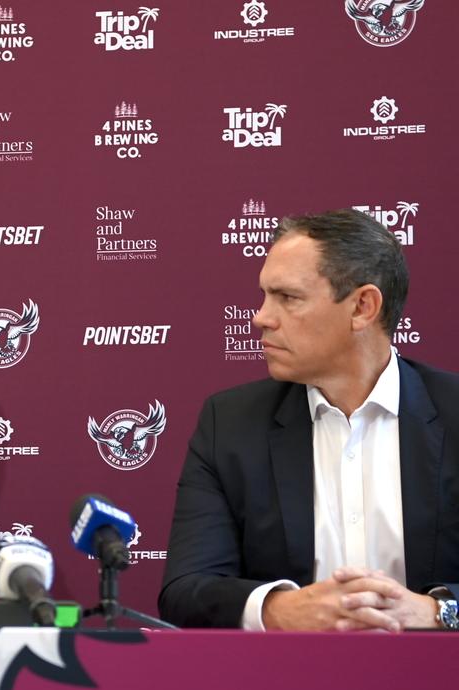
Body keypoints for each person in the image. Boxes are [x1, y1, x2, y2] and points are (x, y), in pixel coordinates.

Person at [159, 208, 459, 631]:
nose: (261, 317)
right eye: (264, 295)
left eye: (288, 298)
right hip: (285, 686)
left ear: (362, 307)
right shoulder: (229, 425)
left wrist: (433, 611)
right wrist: (279, 609)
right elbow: (185, 590)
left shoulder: (453, 412)